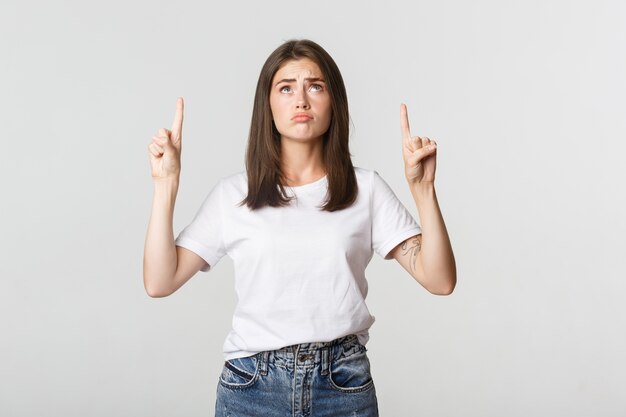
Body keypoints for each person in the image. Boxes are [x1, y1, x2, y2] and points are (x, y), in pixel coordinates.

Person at [143, 39, 456, 417]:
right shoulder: (233, 195)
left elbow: (439, 280)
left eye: (315, 86)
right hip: (252, 388)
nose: (301, 100)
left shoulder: (366, 189)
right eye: (286, 87)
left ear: (333, 102)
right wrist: (166, 186)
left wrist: (423, 191)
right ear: (268, 105)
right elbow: (160, 282)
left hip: (343, 386)